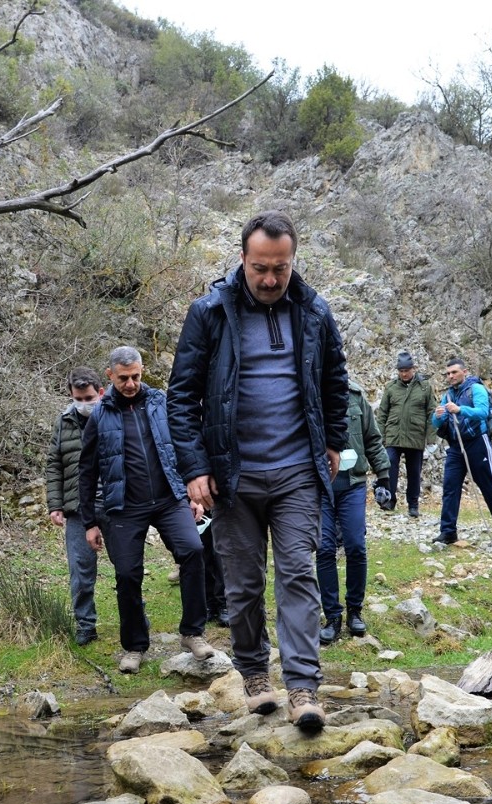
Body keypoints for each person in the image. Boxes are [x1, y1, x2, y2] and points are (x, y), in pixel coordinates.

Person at [167, 210, 349, 731]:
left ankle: (303, 688)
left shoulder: (314, 311)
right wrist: (195, 468)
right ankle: (253, 676)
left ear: (293, 261)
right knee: (243, 586)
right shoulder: (209, 312)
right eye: (260, 268)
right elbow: (181, 398)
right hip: (232, 475)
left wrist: (334, 440)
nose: (270, 279)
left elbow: (335, 379)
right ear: (242, 260)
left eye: (280, 268)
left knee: (298, 574)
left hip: (296, 470)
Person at [78, 346, 215, 674]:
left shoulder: (160, 402)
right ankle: (135, 646)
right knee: (127, 575)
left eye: (136, 376)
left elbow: (183, 447)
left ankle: (193, 633)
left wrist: (192, 494)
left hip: (170, 499)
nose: (130, 383)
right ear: (110, 376)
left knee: (194, 550)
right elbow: (87, 471)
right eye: (123, 378)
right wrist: (89, 522)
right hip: (123, 507)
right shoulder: (99, 415)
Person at [316, 380, 390, 644]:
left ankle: (354, 612)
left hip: (354, 484)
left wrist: (383, 476)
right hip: (319, 486)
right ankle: (332, 617)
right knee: (324, 548)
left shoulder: (357, 397)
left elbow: (372, 439)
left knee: (356, 546)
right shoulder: (309, 393)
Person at [46, 366, 106, 646]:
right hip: (77, 508)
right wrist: (55, 504)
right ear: (71, 395)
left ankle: (136, 620)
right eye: (78, 399)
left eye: (89, 398)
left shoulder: (115, 415)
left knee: (129, 569)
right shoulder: (63, 421)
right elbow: (54, 463)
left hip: (114, 504)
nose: (84, 404)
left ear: (100, 392)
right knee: (80, 572)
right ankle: (85, 625)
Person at [432, 357, 492, 545]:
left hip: (477, 442)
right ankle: (448, 531)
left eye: (454, 372)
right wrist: (436, 416)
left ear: (464, 372)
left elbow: (482, 413)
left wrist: (460, 409)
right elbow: (437, 423)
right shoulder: (448, 395)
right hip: (455, 446)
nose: (450, 376)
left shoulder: (477, 389)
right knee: (450, 488)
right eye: (448, 373)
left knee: (488, 485)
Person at [376, 350, 437, 518]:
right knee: (390, 467)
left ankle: (413, 504)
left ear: (413, 369)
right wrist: (379, 437)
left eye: (406, 370)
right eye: (401, 371)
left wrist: (431, 438)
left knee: (414, 472)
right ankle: (390, 500)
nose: (404, 374)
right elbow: (382, 414)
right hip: (393, 436)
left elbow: (431, 413)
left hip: (415, 437)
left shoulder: (425, 387)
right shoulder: (391, 387)